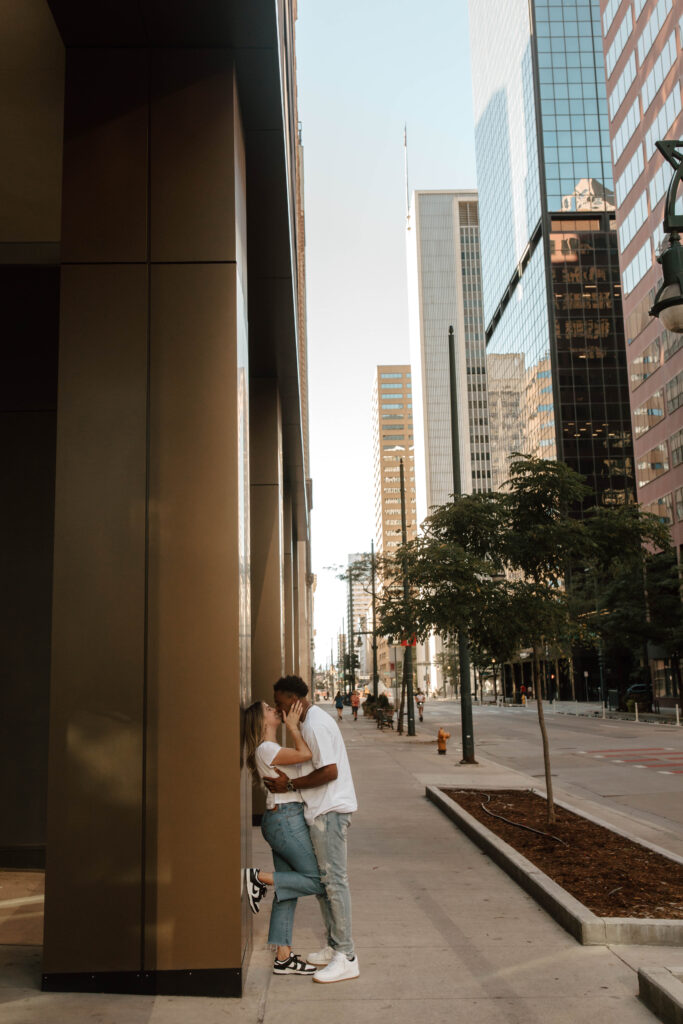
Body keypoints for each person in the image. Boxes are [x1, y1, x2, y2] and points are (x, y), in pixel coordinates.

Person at [267, 675, 359, 984]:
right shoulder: (307, 723)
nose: (279, 711)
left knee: (334, 882)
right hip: (320, 811)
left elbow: (329, 771)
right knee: (325, 883)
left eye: (281, 704)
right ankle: (335, 947)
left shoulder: (316, 724)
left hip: (331, 811)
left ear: (295, 700)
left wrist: (290, 783)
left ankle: (346, 956)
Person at [241, 699, 323, 976]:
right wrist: (294, 727)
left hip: (282, 818)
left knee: (287, 892)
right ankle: (255, 877)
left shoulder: (271, 749)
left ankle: (283, 957)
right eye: (267, 708)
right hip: (285, 820)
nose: (273, 709)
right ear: (262, 721)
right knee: (316, 880)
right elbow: (307, 754)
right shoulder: (266, 748)